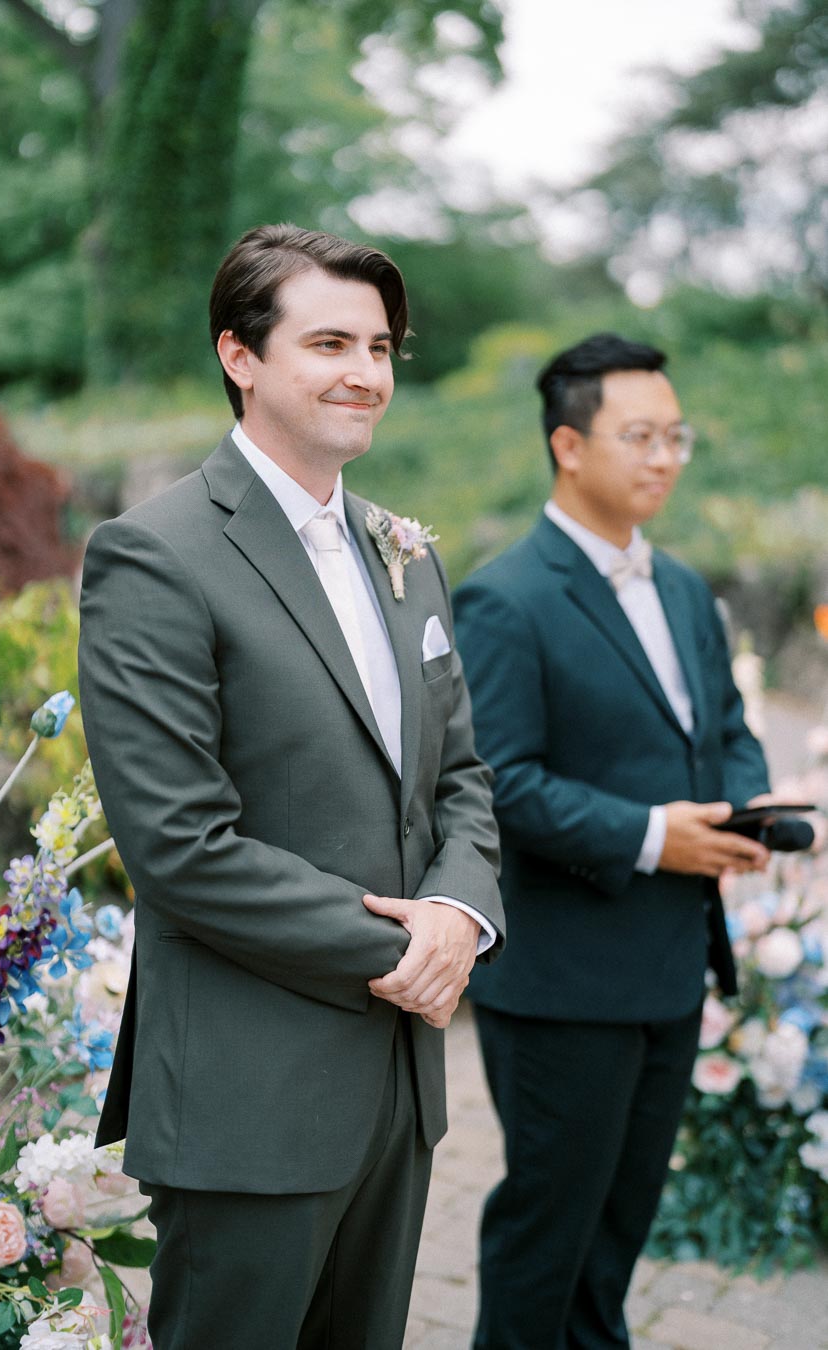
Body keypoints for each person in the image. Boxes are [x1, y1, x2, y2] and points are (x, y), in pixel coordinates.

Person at [78, 223, 503, 1350]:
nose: (365, 372)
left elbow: (459, 776)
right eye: (328, 342)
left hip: (397, 1096)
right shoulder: (155, 555)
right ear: (241, 355)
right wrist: (410, 953)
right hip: (248, 1089)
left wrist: (462, 914)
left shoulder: (404, 550)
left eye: (380, 346)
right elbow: (179, 846)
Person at [453, 332, 772, 1350]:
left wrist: (747, 812)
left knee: (618, 1232)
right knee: (547, 1230)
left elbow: (724, 730)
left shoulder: (681, 586)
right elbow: (498, 781)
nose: (665, 456)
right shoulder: (505, 598)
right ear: (568, 445)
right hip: (561, 982)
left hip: (671, 965)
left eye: (676, 435)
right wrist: (647, 837)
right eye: (640, 436)